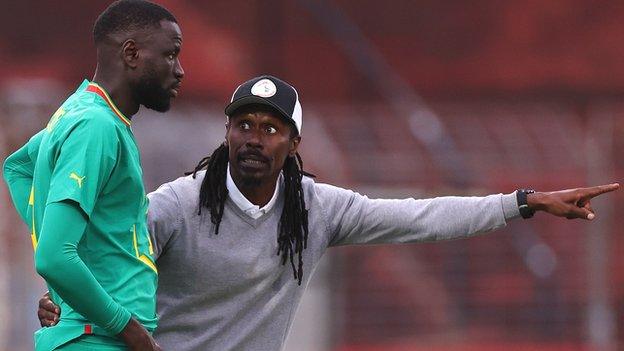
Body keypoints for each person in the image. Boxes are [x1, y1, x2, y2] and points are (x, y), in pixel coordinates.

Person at [37, 75, 618, 351]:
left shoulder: (316, 210)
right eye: (243, 125)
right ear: (227, 133)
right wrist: (65, 303)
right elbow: (103, 255)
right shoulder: (177, 203)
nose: (254, 139)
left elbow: (421, 218)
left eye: (270, 129)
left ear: (293, 144)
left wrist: (523, 203)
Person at [3, 1, 184, 350]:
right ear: (131, 54)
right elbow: (54, 256)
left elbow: (19, 167)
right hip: (99, 339)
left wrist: (74, 284)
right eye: (171, 54)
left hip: (96, 333)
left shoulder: (87, 112)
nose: (179, 70)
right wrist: (130, 330)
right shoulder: (95, 124)